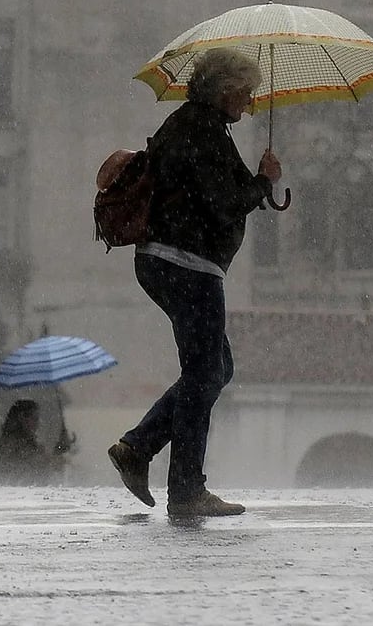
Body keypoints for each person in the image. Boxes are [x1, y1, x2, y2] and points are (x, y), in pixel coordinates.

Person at [107, 48, 282, 517]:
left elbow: (217, 193)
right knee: (206, 373)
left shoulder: (195, 126)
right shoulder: (202, 131)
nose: (249, 103)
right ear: (224, 89)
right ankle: (185, 490)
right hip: (186, 265)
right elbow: (224, 203)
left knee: (215, 369)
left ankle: (138, 447)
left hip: (170, 263)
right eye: (245, 93)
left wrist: (258, 183)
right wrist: (264, 182)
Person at [0, 400, 69, 486]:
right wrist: (51, 459)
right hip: (20, 491)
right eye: (34, 418)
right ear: (22, 417)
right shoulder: (12, 440)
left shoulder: (26, 440)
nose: (37, 423)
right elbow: (26, 464)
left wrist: (58, 450)